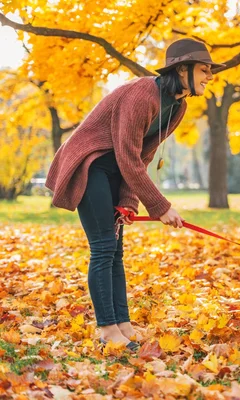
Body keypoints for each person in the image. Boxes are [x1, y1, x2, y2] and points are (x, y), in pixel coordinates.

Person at [45, 39, 224, 351]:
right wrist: (159, 206)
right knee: (103, 247)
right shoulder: (143, 94)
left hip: (118, 169)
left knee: (116, 251)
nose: (209, 76)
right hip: (92, 163)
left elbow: (142, 156)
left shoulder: (178, 106)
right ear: (182, 69)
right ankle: (106, 330)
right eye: (204, 69)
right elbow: (128, 155)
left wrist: (129, 202)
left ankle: (122, 324)